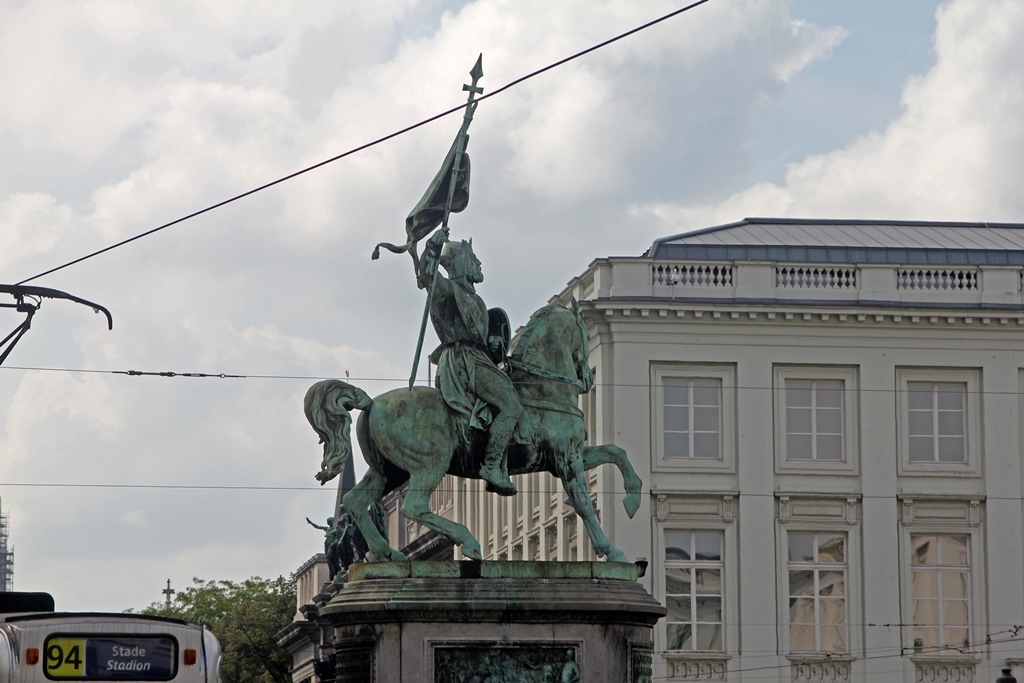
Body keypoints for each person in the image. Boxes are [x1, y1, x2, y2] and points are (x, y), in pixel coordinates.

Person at [417, 227, 524, 496]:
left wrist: (493, 345)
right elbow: (428, 275)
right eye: (472, 258)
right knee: (511, 405)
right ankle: (491, 466)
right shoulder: (447, 289)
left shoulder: (475, 298)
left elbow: (479, 336)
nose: (478, 263)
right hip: (462, 363)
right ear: (460, 263)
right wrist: (432, 246)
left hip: (476, 358)